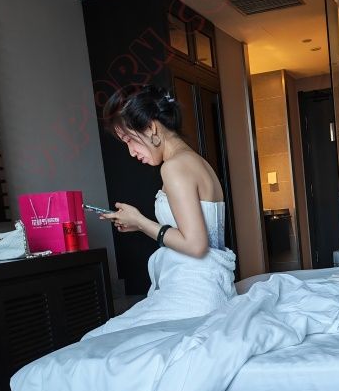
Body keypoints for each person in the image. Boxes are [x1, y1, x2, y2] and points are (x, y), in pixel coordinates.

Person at [99, 84, 237, 324]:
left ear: (151, 127)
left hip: (194, 292)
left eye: (130, 140)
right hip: (208, 287)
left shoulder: (174, 167)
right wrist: (138, 224)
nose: (131, 152)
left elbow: (195, 245)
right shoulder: (196, 162)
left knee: (105, 338)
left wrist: (140, 222)